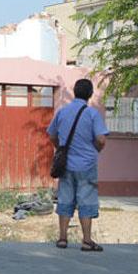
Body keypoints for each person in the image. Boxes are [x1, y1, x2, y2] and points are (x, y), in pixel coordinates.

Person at [47, 78, 109, 252]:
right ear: (90, 94)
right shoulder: (92, 114)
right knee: (86, 200)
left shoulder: (62, 112)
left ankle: (62, 238)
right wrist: (96, 149)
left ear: (75, 92)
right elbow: (101, 139)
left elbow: (51, 134)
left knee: (65, 198)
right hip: (87, 164)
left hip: (66, 164)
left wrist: (61, 148)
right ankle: (87, 240)